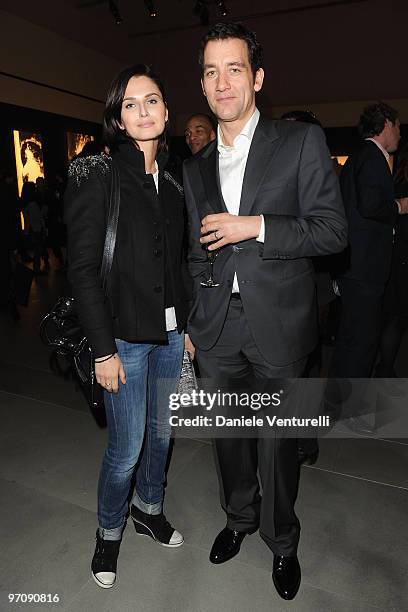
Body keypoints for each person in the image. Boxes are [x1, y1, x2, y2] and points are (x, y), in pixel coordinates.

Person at [183, 22, 347, 601]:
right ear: (202, 87)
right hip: (216, 330)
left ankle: (282, 541)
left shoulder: (298, 143)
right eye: (209, 71)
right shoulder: (194, 166)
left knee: (280, 446)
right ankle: (239, 520)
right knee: (228, 438)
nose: (221, 82)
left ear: (256, 77)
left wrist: (254, 227)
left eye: (233, 68)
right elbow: (192, 252)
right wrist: (191, 325)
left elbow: (332, 231)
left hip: (279, 324)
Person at [64, 64, 192, 589]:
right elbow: (83, 269)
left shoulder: (175, 182)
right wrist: (101, 351)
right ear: (118, 116)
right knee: (126, 447)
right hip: (121, 340)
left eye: (153, 100)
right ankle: (109, 531)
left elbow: (179, 264)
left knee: (162, 436)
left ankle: (148, 509)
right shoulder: (97, 172)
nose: (144, 111)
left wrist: (186, 332)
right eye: (132, 103)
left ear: (166, 111)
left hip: (168, 337)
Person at [329, 102, 408, 378]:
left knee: (351, 342)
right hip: (365, 269)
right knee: (361, 344)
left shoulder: (360, 156)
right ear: (386, 123)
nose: (399, 133)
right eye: (398, 126)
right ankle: (352, 413)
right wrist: (401, 206)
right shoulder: (373, 157)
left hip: (356, 268)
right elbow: (372, 206)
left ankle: (338, 407)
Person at [375, 142, 408, 376]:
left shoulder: (395, 187)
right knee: (395, 318)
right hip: (400, 259)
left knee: (394, 317)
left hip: (396, 258)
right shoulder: (399, 191)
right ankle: (385, 369)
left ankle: (385, 369)